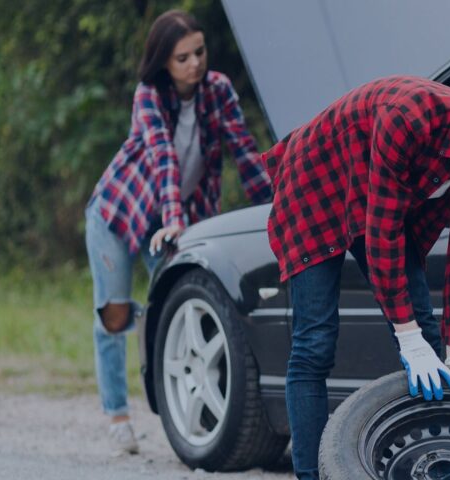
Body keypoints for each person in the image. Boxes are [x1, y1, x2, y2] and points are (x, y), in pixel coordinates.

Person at [263, 74, 450, 479]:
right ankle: (311, 476)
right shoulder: (406, 118)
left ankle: (439, 466)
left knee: (433, 349)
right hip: (317, 185)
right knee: (314, 343)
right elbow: (383, 235)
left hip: (376, 204)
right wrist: (407, 338)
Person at [84, 9, 272, 456]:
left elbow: (244, 151)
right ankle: (117, 415)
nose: (194, 63)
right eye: (182, 57)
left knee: (177, 303)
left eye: (199, 52)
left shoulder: (219, 90)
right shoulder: (148, 94)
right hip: (120, 210)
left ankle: (166, 363)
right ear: (164, 62)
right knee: (111, 316)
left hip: (175, 218)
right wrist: (174, 219)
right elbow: (163, 156)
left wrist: (274, 203)